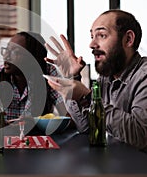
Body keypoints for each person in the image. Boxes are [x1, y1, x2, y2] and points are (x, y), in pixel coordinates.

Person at [45, 9, 147, 151]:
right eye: (92, 36)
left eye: (101, 35)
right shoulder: (106, 76)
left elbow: (141, 136)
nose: (92, 44)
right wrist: (72, 77)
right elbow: (87, 127)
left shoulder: (144, 75)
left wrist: (88, 96)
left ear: (128, 39)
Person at [0, 31, 67, 132]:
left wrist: (36, 122)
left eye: (14, 52)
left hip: (37, 142)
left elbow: (67, 118)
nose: (6, 56)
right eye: (6, 50)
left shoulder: (48, 74)